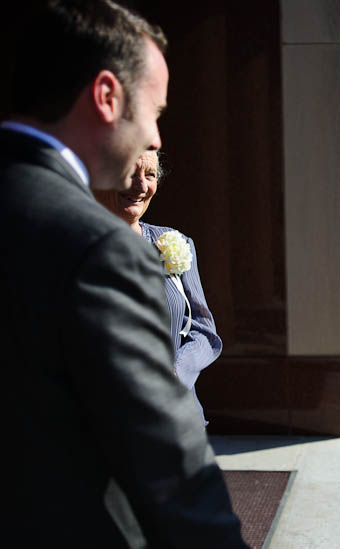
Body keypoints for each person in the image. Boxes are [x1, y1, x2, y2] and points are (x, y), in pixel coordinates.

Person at [0, 1, 245, 546]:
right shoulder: (98, 248)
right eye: (153, 112)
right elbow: (170, 470)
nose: (154, 138)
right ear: (107, 97)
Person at [94, 150, 222, 426]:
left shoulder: (176, 244)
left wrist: (176, 371)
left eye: (149, 174)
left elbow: (204, 331)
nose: (141, 186)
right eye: (131, 173)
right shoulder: (79, 248)